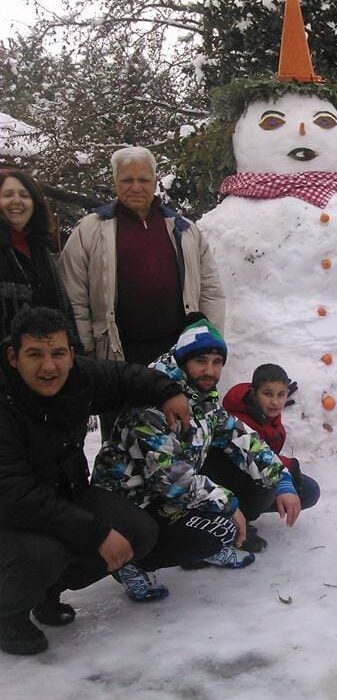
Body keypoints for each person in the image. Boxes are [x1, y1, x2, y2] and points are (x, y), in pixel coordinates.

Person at [0, 307, 189, 655]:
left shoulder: (78, 376)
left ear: (71, 355)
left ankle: (46, 593)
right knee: (44, 554)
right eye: (34, 355)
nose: (48, 367)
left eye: (58, 353)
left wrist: (168, 391)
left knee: (140, 531)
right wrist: (95, 533)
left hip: (66, 492)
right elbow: (15, 497)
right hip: (11, 516)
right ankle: (8, 613)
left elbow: (125, 377)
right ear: (13, 356)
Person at [92, 315, 297, 594]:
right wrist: (228, 503)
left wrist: (282, 481)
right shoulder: (151, 403)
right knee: (221, 525)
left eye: (217, 363)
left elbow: (242, 439)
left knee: (265, 484)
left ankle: (203, 545)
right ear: (183, 361)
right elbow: (169, 477)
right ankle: (132, 563)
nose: (209, 371)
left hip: (167, 497)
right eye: (201, 361)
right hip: (131, 503)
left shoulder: (203, 399)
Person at [59, 146, 225, 367]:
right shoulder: (90, 231)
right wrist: (86, 347)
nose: (136, 187)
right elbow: (73, 294)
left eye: (143, 180)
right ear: (115, 181)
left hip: (178, 349)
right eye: (127, 180)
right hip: (118, 351)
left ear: (155, 181)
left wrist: (208, 340)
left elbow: (210, 289)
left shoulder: (184, 230)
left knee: (178, 402)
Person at [223, 363, 320, 551]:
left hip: (257, 470)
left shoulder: (263, 411)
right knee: (271, 485)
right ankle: (231, 525)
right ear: (254, 393)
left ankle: (242, 513)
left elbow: (268, 452)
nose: (275, 402)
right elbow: (253, 453)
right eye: (268, 394)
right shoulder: (241, 419)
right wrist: (287, 471)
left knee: (307, 490)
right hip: (233, 478)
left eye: (281, 394)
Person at [0, 169, 76, 340]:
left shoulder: (41, 251)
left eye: (25, 195)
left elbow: (63, 310)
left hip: (49, 358)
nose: (17, 200)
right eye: (7, 195)